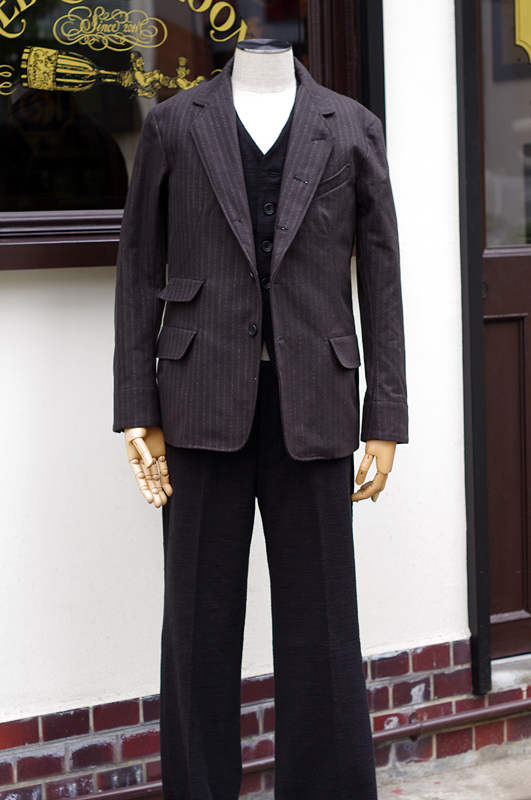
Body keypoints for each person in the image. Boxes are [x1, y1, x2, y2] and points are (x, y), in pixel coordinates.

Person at [114, 39, 407, 800]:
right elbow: (138, 266)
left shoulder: (350, 126)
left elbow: (381, 274)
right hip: (197, 403)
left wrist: (384, 415)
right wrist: (137, 406)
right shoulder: (175, 124)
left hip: (316, 404)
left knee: (323, 631)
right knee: (197, 633)